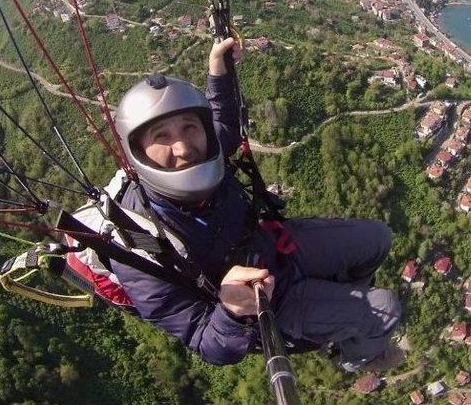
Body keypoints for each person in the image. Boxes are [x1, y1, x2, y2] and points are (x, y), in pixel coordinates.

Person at [111, 38, 401, 369]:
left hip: (278, 247)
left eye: (190, 127)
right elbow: (207, 343)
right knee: (385, 308)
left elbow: (224, 125)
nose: (182, 147)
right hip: (269, 301)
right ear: (136, 151)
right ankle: (353, 356)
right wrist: (231, 311)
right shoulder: (139, 246)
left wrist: (218, 73)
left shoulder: (209, 154)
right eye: (161, 136)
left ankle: (339, 313)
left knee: (378, 238)